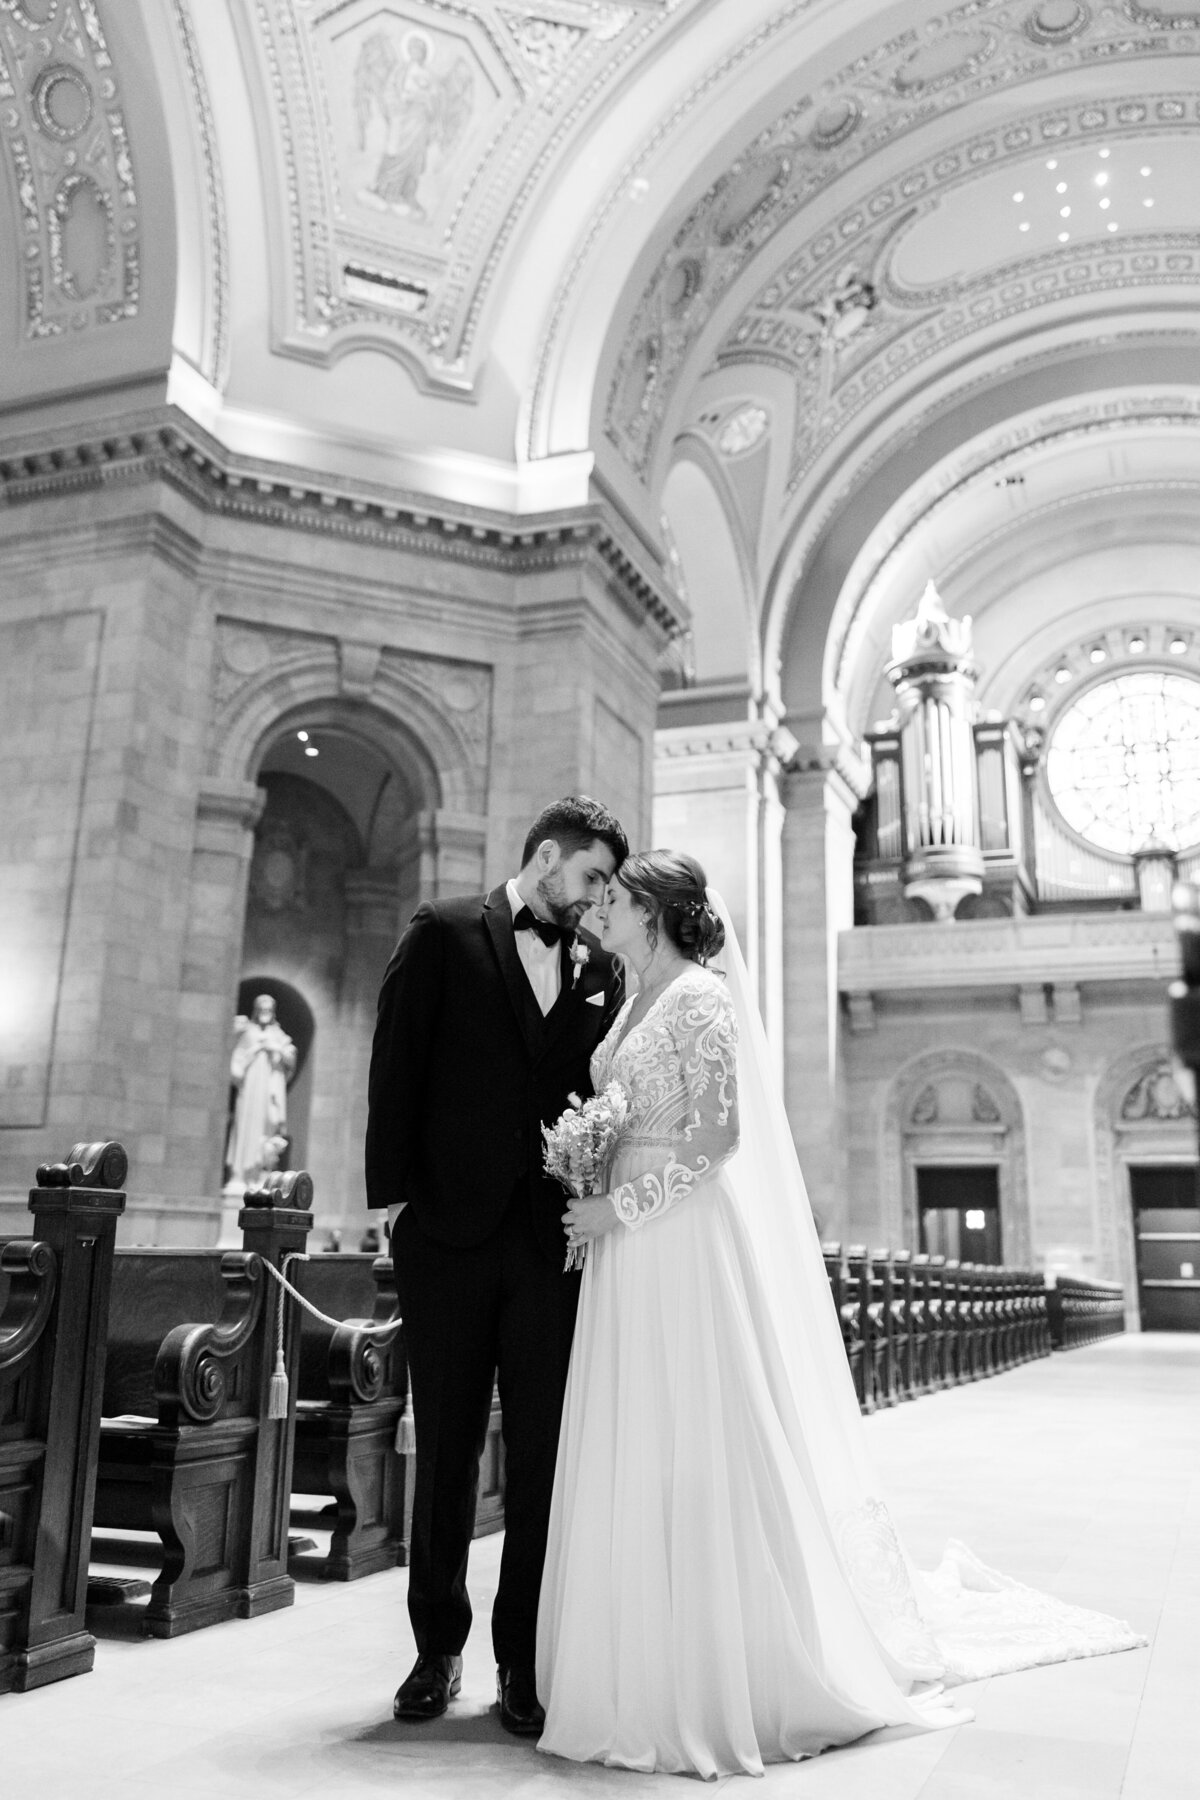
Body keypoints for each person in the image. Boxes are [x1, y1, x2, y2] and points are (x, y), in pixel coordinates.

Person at [536, 850, 1143, 1779]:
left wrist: (619, 1202)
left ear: (655, 912)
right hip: (627, 1243)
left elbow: (722, 1134)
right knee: (637, 1432)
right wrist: (592, 1163)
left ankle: (724, 1667)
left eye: (614, 898)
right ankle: (630, 1649)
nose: (598, 907)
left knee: (698, 1428)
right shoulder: (626, 1004)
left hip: (683, 1238)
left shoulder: (702, 997)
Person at [365, 796, 627, 1735]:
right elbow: (395, 1061)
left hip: (549, 1245)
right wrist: (391, 1200)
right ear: (547, 857)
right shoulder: (441, 932)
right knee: (444, 1450)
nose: (599, 901)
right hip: (445, 1237)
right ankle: (437, 1650)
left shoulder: (602, 969)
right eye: (592, 877)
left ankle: (522, 1658)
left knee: (544, 1457)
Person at [225, 994, 296, 1191]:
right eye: (262, 1010)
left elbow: (290, 1055)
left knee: (267, 1129)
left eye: (269, 1010)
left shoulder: (278, 1035)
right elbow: (236, 1062)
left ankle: (260, 1173)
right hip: (249, 1093)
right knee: (245, 1130)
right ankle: (240, 1174)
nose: (265, 1014)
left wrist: (277, 1051)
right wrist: (255, 1050)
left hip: (269, 1090)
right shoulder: (248, 1033)